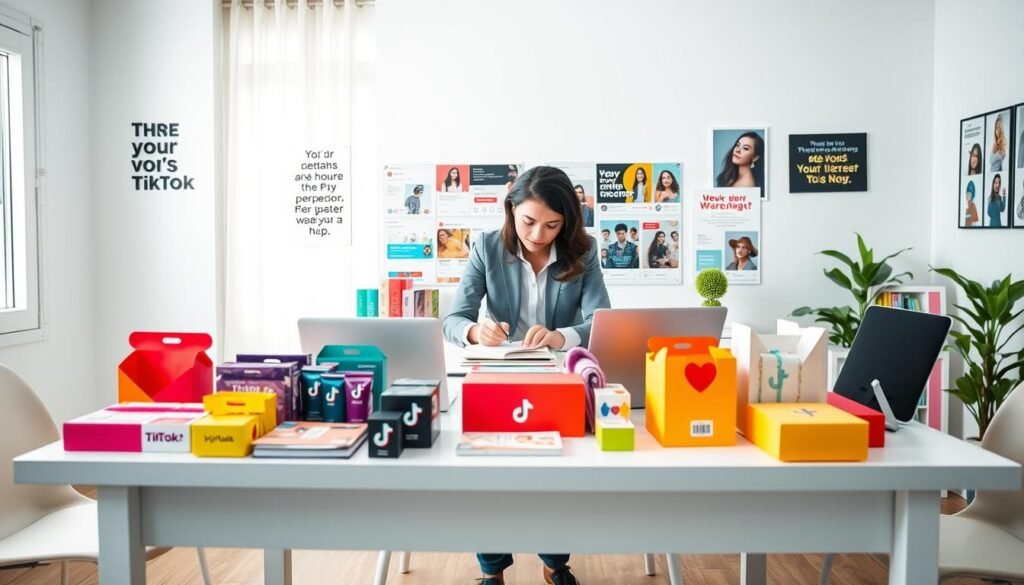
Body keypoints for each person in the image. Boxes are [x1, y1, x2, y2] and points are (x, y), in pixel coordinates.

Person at [442, 166, 610, 585]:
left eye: (552, 225)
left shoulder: (583, 252)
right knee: (487, 470)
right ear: (511, 209)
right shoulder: (485, 247)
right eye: (529, 221)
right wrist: (473, 330)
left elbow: (602, 322)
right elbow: (453, 318)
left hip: (556, 377)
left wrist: (559, 336)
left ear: (567, 222)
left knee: (557, 472)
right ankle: (491, 569)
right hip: (496, 374)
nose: (538, 234)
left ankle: (555, 563)